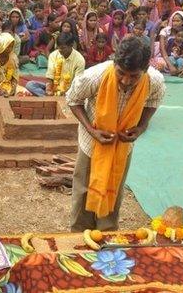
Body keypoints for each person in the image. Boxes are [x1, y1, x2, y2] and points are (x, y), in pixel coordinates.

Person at [67, 36, 165, 232]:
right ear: (115, 64)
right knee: (84, 189)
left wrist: (142, 126)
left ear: (144, 71)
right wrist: (91, 130)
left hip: (122, 146)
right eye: (121, 73)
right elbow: (72, 99)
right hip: (92, 144)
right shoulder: (94, 76)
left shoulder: (154, 81)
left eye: (134, 76)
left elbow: (154, 100)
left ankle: (107, 232)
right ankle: (79, 234)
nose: (126, 81)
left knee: (115, 187)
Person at [26, 32, 85, 97]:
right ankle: (49, 97)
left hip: (69, 91)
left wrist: (65, 92)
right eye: (58, 48)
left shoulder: (79, 60)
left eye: (63, 48)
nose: (60, 50)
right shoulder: (53, 55)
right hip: (54, 87)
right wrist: (48, 90)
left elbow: (77, 83)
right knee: (30, 84)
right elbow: (50, 75)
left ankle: (49, 98)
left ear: (71, 45)